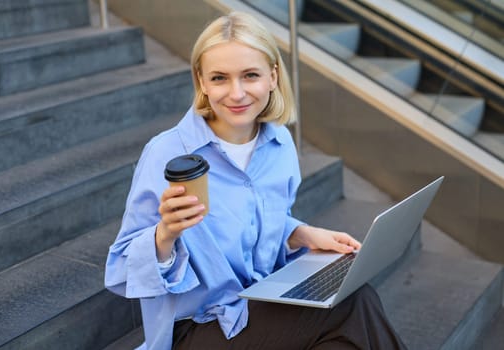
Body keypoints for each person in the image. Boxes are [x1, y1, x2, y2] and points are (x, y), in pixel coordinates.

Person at [105, 11, 407, 350]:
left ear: (273, 77)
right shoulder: (166, 154)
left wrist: (299, 234)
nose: (236, 93)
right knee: (355, 302)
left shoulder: (279, 145)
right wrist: (165, 236)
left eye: (250, 75)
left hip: (262, 305)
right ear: (201, 81)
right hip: (197, 327)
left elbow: (248, 223)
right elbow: (120, 271)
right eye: (219, 78)